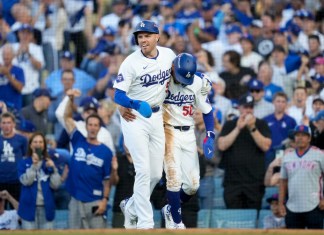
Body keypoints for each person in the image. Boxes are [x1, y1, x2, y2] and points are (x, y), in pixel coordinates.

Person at [113, 20, 176, 229]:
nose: (143, 40)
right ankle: (145, 222)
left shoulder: (168, 55)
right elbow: (118, 94)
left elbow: (179, 79)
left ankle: (130, 206)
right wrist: (134, 104)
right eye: (140, 36)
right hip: (134, 117)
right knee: (142, 170)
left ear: (157, 37)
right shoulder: (130, 62)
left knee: (157, 173)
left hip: (156, 117)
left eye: (147, 35)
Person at [161, 53, 215, 229]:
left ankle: (170, 209)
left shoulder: (198, 81)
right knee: (173, 178)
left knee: (192, 186)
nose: (184, 81)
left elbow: (206, 110)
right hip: (167, 130)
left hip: (188, 132)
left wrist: (210, 134)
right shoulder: (161, 80)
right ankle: (177, 221)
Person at [61, 89, 114, 229]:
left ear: (99, 128)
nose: (92, 128)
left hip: (95, 201)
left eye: (95, 125)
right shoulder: (78, 139)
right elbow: (66, 118)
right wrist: (71, 99)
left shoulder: (106, 151)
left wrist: (105, 200)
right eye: (90, 125)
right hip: (75, 199)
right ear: (86, 126)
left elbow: (107, 180)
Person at [218, 94, 271, 209]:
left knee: (252, 219)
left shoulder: (261, 124)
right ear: (239, 108)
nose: (248, 110)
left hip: (254, 182)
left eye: (251, 107)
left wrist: (252, 128)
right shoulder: (230, 124)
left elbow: (266, 146)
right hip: (232, 182)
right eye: (245, 107)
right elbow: (221, 145)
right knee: (233, 221)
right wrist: (238, 128)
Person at [278, 124, 324, 229]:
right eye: (297, 135)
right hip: (292, 206)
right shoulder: (287, 157)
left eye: (304, 135)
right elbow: (282, 181)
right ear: (294, 138)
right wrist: (281, 203)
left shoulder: (319, 154)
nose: (300, 138)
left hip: (314, 205)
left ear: (309, 138)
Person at [17, 132, 61, 229]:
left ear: (44, 145)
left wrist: (54, 168)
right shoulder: (23, 163)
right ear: (30, 145)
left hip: (47, 208)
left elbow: (56, 185)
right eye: (35, 142)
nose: (38, 144)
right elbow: (26, 182)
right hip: (28, 209)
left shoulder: (49, 162)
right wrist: (34, 166)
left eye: (41, 142)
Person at [0, 111, 28, 202]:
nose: (6, 125)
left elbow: (26, 157)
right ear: (0, 125)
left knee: (16, 212)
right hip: (0, 181)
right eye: (4, 123)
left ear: (14, 124)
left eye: (9, 123)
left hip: (16, 181)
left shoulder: (22, 140)